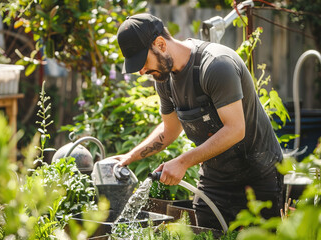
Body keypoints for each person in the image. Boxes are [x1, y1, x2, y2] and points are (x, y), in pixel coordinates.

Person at [113, 13, 284, 230]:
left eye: (143, 61)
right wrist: (131, 156)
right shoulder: (165, 80)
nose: (142, 70)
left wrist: (182, 162)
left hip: (259, 175)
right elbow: (170, 130)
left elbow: (235, 130)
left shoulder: (215, 65)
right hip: (216, 180)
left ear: (160, 44)